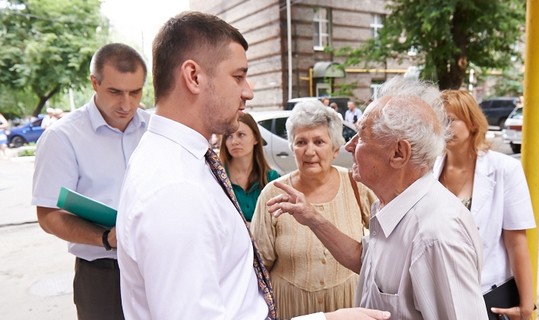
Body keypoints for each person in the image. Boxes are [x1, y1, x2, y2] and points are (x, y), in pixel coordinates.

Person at [116, 11, 390, 320]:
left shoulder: (180, 163)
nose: (248, 90)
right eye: (238, 76)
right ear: (193, 77)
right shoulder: (176, 188)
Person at [266, 77, 488, 319]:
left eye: (361, 135)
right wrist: (312, 218)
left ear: (398, 153)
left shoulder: (436, 235)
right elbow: (367, 262)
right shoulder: (393, 205)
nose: (349, 145)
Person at [31, 43, 148, 320]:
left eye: (135, 92)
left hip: (157, 267)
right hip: (103, 276)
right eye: (115, 92)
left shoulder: (154, 130)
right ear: (94, 83)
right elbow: (48, 215)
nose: (126, 104)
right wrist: (106, 239)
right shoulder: (62, 138)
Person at [251, 100, 376, 319]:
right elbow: (260, 267)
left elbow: (383, 243)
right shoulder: (273, 194)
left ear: (335, 149)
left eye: (319, 142)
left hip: (348, 307)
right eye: (301, 142)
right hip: (291, 310)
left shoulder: (357, 185)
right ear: (292, 148)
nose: (309, 151)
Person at [434, 89, 536, 319]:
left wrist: (526, 306)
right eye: (439, 121)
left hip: (486, 293)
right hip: (439, 293)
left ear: (472, 123)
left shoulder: (504, 169)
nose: (443, 128)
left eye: (450, 120)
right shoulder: (428, 169)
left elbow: (517, 242)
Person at [219, 112, 280, 222]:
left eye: (241, 134)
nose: (234, 141)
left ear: (256, 138)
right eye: (229, 136)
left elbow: (278, 222)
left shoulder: (271, 179)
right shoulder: (217, 178)